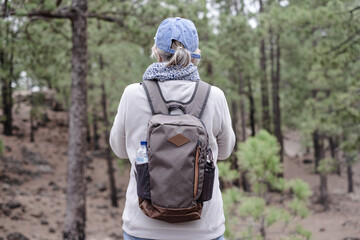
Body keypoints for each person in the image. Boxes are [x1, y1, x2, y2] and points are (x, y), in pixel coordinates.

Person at [110, 17, 235, 240]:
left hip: (143, 226)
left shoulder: (132, 94)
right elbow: (224, 152)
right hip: (204, 228)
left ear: (157, 52)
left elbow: (119, 150)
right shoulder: (214, 96)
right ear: (195, 55)